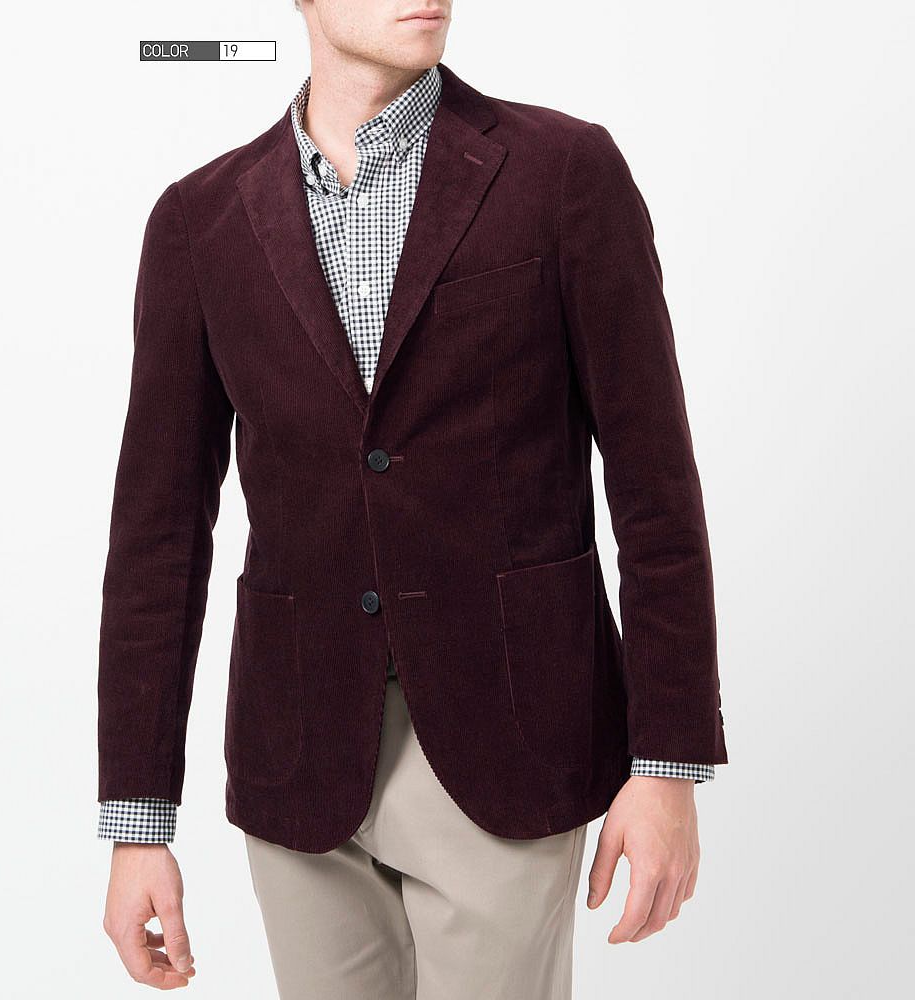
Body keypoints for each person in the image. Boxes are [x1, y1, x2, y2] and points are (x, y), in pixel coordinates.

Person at [97, 2, 728, 996]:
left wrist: (668, 762)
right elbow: (157, 539)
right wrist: (138, 823)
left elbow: (656, 489)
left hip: (510, 737)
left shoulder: (564, 172)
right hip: (298, 757)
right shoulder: (200, 220)